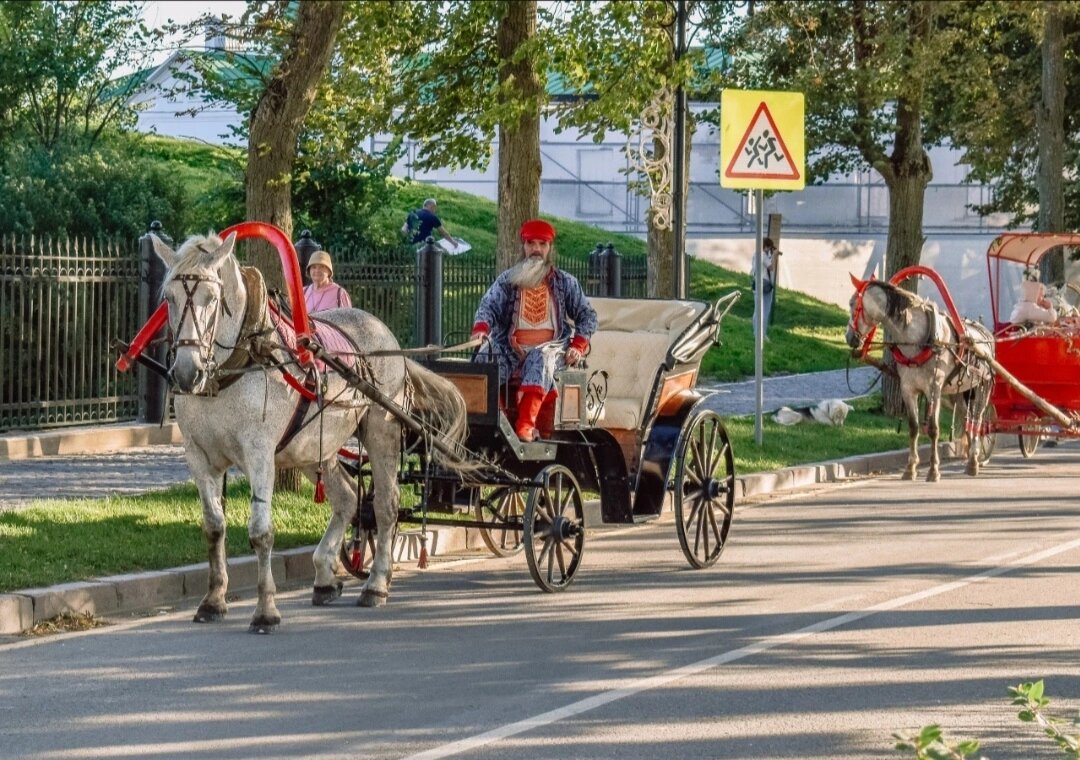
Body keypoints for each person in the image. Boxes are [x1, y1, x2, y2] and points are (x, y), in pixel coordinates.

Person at [471, 219, 598, 442]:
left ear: (550, 248)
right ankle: (497, 424)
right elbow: (488, 306)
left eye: (542, 244)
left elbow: (588, 316)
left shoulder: (565, 282)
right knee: (484, 358)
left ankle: (525, 427)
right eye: (531, 243)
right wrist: (481, 329)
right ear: (523, 246)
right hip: (510, 347)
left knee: (540, 358)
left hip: (552, 348)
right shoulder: (508, 280)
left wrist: (578, 345)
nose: (536, 249)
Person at [752, 237, 782, 339]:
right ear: (766, 247)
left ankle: (756, 332)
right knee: (765, 310)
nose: (770, 251)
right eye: (770, 248)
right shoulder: (763, 255)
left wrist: (771, 255)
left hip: (756, 283)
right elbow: (771, 267)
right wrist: (774, 256)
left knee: (757, 310)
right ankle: (762, 334)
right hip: (765, 285)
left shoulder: (755, 254)